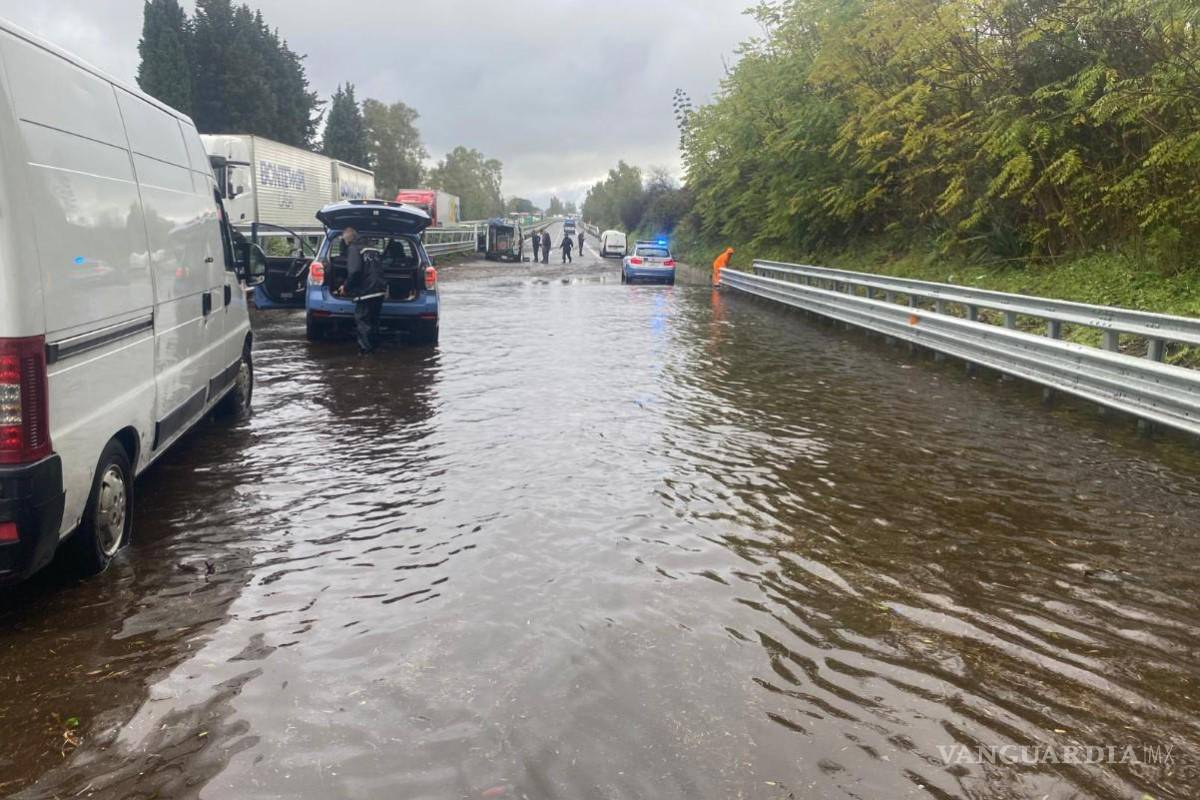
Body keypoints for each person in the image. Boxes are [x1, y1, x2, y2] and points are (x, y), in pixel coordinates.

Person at [335, 226, 386, 354]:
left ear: (347, 240)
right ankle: (375, 349)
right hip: (379, 289)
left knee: (363, 322)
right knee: (374, 321)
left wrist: (345, 287)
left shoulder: (353, 249)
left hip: (366, 292)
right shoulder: (372, 249)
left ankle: (366, 353)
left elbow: (355, 272)